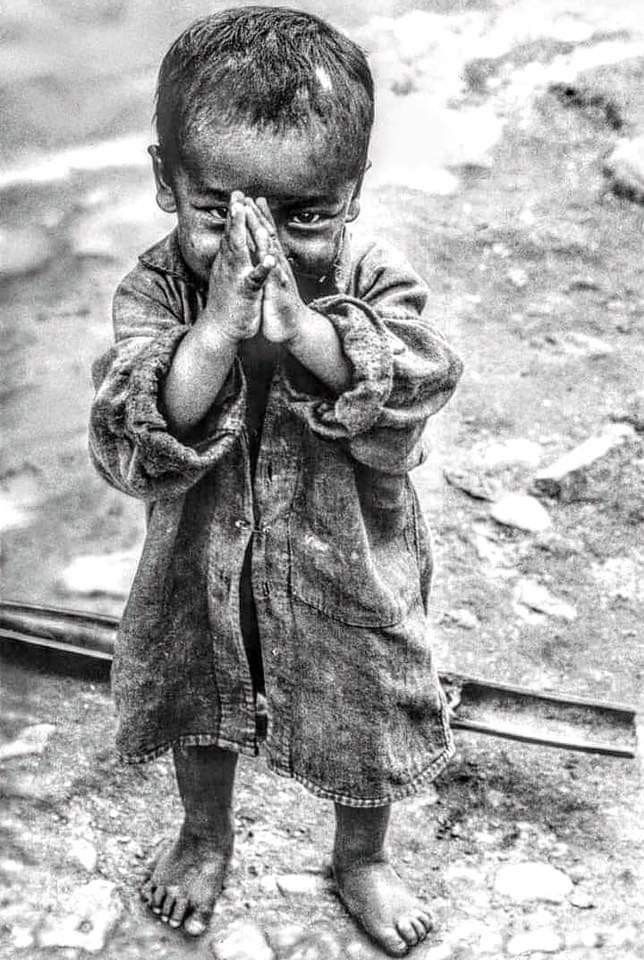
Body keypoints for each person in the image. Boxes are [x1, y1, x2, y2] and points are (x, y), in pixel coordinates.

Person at [89, 6, 462, 956]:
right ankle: (205, 833)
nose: (262, 243)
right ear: (166, 182)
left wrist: (304, 331)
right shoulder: (156, 288)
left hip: (345, 554)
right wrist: (216, 330)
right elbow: (136, 429)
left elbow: (422, 378)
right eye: (220, 211)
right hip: (200, 552)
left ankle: (362, 859)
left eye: (306, 214)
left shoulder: (370, 270)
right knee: (199, 679)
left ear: (354, 191)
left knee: (366, 697)